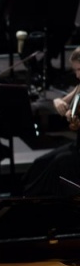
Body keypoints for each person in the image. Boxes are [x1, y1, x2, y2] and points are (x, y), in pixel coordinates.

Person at [22, 47, 80, 197]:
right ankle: (22, 198)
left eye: (79, 69)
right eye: (75, 70)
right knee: (39, 163)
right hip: (77, 146)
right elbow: (59, 100)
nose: (77, 75)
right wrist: (59, 102)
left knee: (57, 165)